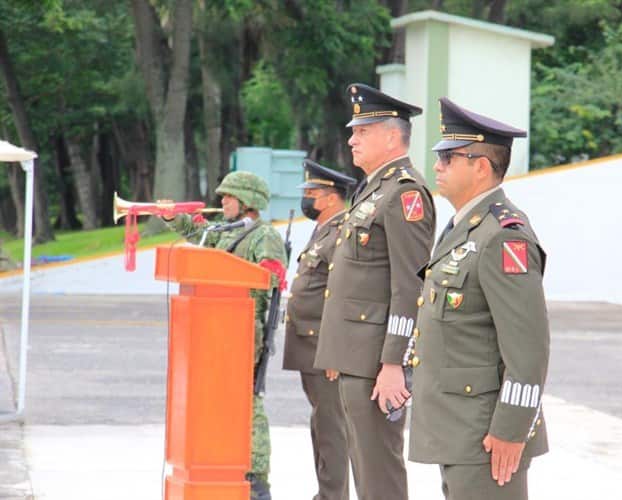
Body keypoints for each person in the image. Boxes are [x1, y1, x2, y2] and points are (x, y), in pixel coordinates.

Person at [407, 97, 550, 500]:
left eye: (449, 157)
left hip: (488, 436)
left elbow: (528, 350)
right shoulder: (464, 227)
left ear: (481, 166)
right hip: (460, 429)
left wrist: (512, 428)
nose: (437, 166)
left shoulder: (503, 236)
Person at [314, 83, 436, 500]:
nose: (351, 139)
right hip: (356, 356)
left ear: (389, 136)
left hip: (376, 362)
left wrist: (393, 364)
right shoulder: (373, 188)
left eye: (361, 131)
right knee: (364, 470)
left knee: (378, 474)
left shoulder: (404, 194)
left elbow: (410, 287)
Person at [163, 171, 287, 500]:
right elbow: (203, 235)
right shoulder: (232, 231)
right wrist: (172, 218)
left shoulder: (264, 236)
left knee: (247, 404)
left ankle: (256, 476)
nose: (223, 202)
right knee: (220, 403)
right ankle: (219, 462)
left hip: (244, 330)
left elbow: (269, 278)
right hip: (218, 329)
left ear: (248, 201)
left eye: (229, 196)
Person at [282, 159, 356, 500]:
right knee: (321, 424)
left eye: (312, 193)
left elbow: (344, 295)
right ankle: (326, 492)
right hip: (311, 346)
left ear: (330, 197)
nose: (307, 199)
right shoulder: (324, 230)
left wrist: (336, 349)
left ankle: (332, 496)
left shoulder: (342, 233)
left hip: (323, 348)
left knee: (331, 427)